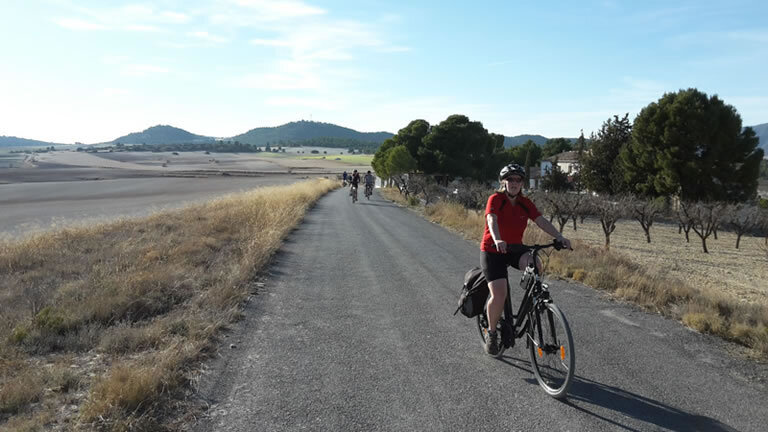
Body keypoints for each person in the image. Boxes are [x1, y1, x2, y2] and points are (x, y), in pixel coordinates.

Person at [480, 163, 572, 355]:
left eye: (518, 180)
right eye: (510, 179)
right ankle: (492, 332)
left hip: (514, 249)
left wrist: (559, 236)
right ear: (503, 182)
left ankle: (534, 301)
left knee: (535, 263)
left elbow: (540, 220)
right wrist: (497, 239)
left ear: (522, 183)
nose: (514, 183)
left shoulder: (525, 202)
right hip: (493, 250)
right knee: (499, 293)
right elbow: (492, 219)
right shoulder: (495, 199)